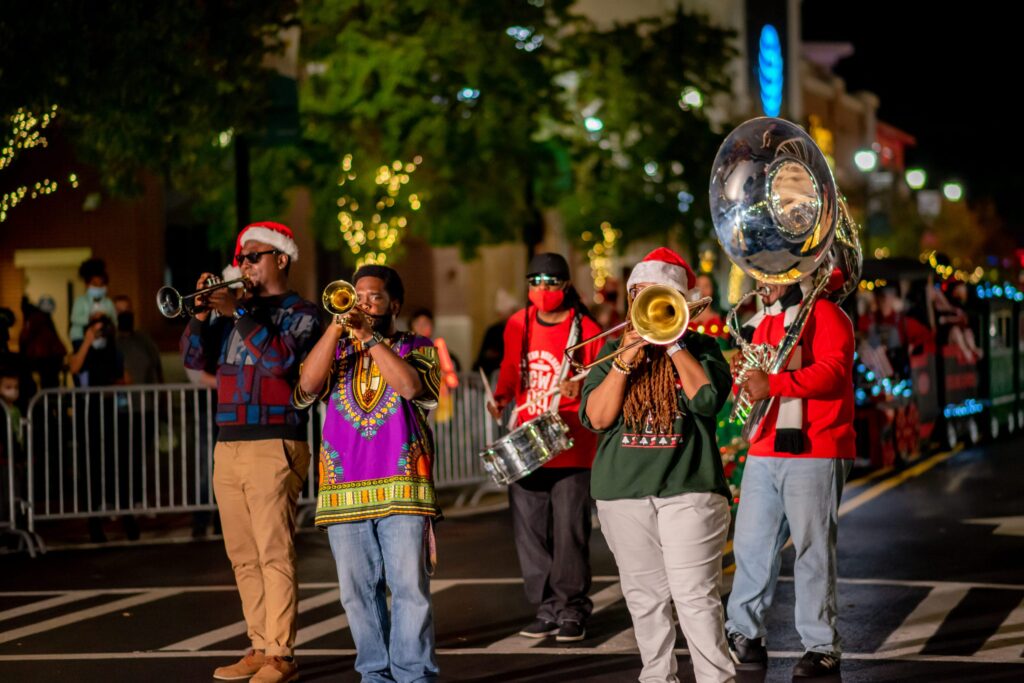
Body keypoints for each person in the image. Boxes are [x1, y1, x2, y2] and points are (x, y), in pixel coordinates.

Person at [579, 247, 736, 683]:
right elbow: (598, 418)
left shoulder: (704, 348)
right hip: (621, 492)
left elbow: (707, 400)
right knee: (644, 599)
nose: (646, 302)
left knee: (694, 596)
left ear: (680, 299)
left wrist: (674, 344)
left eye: (659, 293)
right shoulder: (613, 350)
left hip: (690, 487)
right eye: (639, 294)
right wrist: (624, 361)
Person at [181, 221, 321, 683]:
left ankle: (282, 654)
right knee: (242, 553)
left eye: (254, 256)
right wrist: (200, 315)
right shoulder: (230, 312)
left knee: (273, 551)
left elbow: (281, 361)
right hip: (229, 440)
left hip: (275, 439)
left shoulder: (302, 312)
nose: (244, 264)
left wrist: (238, 311)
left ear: (281, 258)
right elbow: (193, 360)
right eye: (241, 257)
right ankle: (260, 645)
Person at [294, 264, 442, 683]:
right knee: (356, 594)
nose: (363, 304)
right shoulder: (337, 349)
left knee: (409, 589)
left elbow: (411, 388)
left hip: (404, 486)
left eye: (374, 297)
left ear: (394, 305)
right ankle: (375, 675)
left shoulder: (417, 346)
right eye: (356, 297)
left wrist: (369, 338)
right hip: (343, 489)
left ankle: (414, 675)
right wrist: (335, 327)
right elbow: (307, 385)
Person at [725, 277, 856, 679]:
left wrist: (773, 383)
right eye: (758, 272)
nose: (760, 280)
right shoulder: (764, 320)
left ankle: (821, 646)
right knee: (751, 545)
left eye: (770, 273)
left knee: (811, 551)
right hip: (765, 446)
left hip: (816, 445)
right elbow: (760, 379)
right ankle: (745, 634)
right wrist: (744, 375)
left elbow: (834, 372)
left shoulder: (828, 314)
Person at [488, 253, 603, 642]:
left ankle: (572, 608)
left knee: (570, 532)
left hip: (571, 442)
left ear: (566, 286)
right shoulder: (518, 323)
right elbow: (510, 368)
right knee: (530, 533)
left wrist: (581, 387)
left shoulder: (585, 328)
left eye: (550, 282)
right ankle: (547, 607)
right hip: (528, 441)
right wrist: (501, 397)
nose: (542, 289)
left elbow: (601, 378)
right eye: (534, 282)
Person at [68, 311, 138, 542]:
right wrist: (88, 341)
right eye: (95, 325)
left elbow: (126, 377)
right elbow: (74, 367)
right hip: (89, 417)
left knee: (119, 467)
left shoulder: (114, 350)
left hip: (113, 416)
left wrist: (117, 383)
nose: (100, 331)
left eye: (103, 326)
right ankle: (94, 524)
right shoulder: (81, 347)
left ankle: (128, 519)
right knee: (92, 470)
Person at [113, 295, 164, 385]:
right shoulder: (110, 343)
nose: (124, 314)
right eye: (119, 311)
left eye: (127, 310)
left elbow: (158, 369)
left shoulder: (145, 340)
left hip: (147, 392)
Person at [19, 295, 67, 389]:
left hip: (44, 357)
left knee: (47, 383)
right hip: (54, 356)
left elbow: (24, 337)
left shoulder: (33, 318)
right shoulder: (44, 316)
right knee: (51, 383)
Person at [70, 258, 117, 351]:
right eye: (95, 284)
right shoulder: (80, 301)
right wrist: (90, 318)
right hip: (81, 338)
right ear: (87, 285)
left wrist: (106, 318)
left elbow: (115, 321)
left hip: (104, 340)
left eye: (101, 284)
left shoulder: (108, 302)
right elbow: (74, 318)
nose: (98, 287)